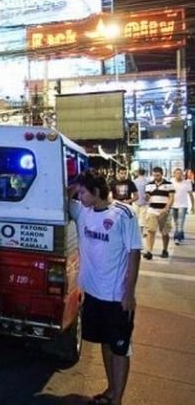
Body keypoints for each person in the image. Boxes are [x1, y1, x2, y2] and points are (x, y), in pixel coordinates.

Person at [68, 170, 141, 405]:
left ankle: (117, 399)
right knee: (105, 343)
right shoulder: (83, 211)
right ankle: (111, 390)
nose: (79, 197)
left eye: (82, 192)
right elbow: (59, 197)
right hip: (93, 293)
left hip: (116, 297)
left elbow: (134, 254)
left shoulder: (124, 214)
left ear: (97, 192)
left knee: (120, 349)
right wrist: (76, 184)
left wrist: (129, 293)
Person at [143, 167, 174, 260]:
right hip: (152, 210)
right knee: (150, 231)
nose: (156, 177)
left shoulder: (169, 184)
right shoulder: (149, 185)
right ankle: (149, 251)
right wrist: (146, 197)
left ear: (162, 174)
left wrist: (166, 208)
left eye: (158, 175)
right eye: (154, 175)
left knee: (165, 232)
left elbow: (171, 197)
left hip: (164, 211)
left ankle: (165, 250)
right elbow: (147, 197)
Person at [170, 168, 194, 245]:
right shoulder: (171, 182)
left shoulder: (187, 183)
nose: (179, 175)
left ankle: (177, 238)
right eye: (177, 173)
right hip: (173, 205)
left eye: (180, 173)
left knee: (180, 222)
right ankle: (181, 235)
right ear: (174, 174)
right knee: (176, 222)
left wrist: (193, 205)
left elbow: (191, 195)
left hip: (183, 205)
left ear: (183, 174)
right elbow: (168, 194)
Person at [132, 168, 149, 235]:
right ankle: (141, 231)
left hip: (135, 201)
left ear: (138, 173)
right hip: (144, 201)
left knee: (136, 216)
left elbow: (133, 192)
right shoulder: (147, 181)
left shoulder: (134, 181)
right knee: (143, 217)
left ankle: (136, 231)